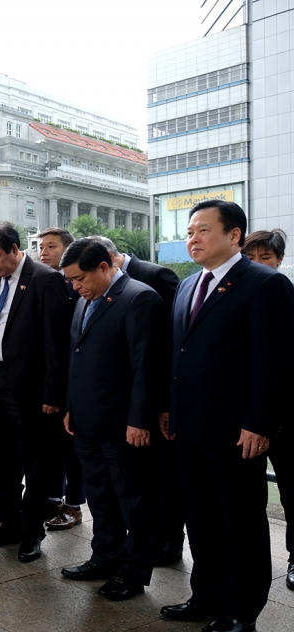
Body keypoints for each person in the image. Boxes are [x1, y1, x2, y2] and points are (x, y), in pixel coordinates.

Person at [160, 201, 294, 632]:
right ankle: (207, 594)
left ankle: (242, 609)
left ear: (234, 235)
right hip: (189, 426)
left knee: (241, 524)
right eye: (189, 232)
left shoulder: (264, 283)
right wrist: (168, 409)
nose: (192, 239)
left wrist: (259, 423)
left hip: (235, 431)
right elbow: (178, 356)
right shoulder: (186, 285)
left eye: (202, 230)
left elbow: (273, 363)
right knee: (201, 520)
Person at [59, 237, 167, 602]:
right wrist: (71, 405)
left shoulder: (139, 298)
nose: (75, 287)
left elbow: (145, 367)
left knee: (133, 501)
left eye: (79, 279)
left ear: (104, 267)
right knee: (101, 498)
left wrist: (139, 420)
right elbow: (78, 356)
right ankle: (103, 558)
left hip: (124, 425)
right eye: (71, 281)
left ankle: (132, 572)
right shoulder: (85, 299)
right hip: (87, 420)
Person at [0, 222, 71, 561]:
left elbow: (57, 344)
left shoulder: (46, 279)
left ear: (16, 249)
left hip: (29, 387)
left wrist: (52, 394)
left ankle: (32, 531)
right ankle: (9, 522)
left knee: (35, 461)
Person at [96, 236, 182, 566]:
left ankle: (170, 540)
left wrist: (160, 401)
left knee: (164, 478)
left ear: (105, 261)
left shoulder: (156, 277)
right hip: (122, 396)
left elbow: (166, 343)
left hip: (154, 394)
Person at [240, 228, 294, 591]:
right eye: (252, 257)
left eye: (267, 258)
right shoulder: (240, 294)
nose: (260, 264)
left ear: (279, 261)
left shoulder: (283, 292)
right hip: (245, 416)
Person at [35, 227, 86, 532]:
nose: (43, 252)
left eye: (51, 246)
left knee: (73, 448)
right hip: (48, 379)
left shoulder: (76, 286)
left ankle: (74, 504)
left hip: (72, 379)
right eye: (41, 247)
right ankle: (53, 497)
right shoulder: (41, 282)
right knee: (52, 446)